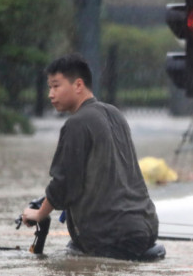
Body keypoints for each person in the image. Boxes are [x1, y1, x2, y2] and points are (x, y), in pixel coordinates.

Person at [21, 53, 160, 260]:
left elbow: (64, 183)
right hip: (146, 228)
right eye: (49, 87)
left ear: (78, 85)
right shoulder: (115, 114)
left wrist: (39, 213)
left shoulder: (77, 123)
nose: (50, 94)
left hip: (109, 237)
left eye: (56, 86)